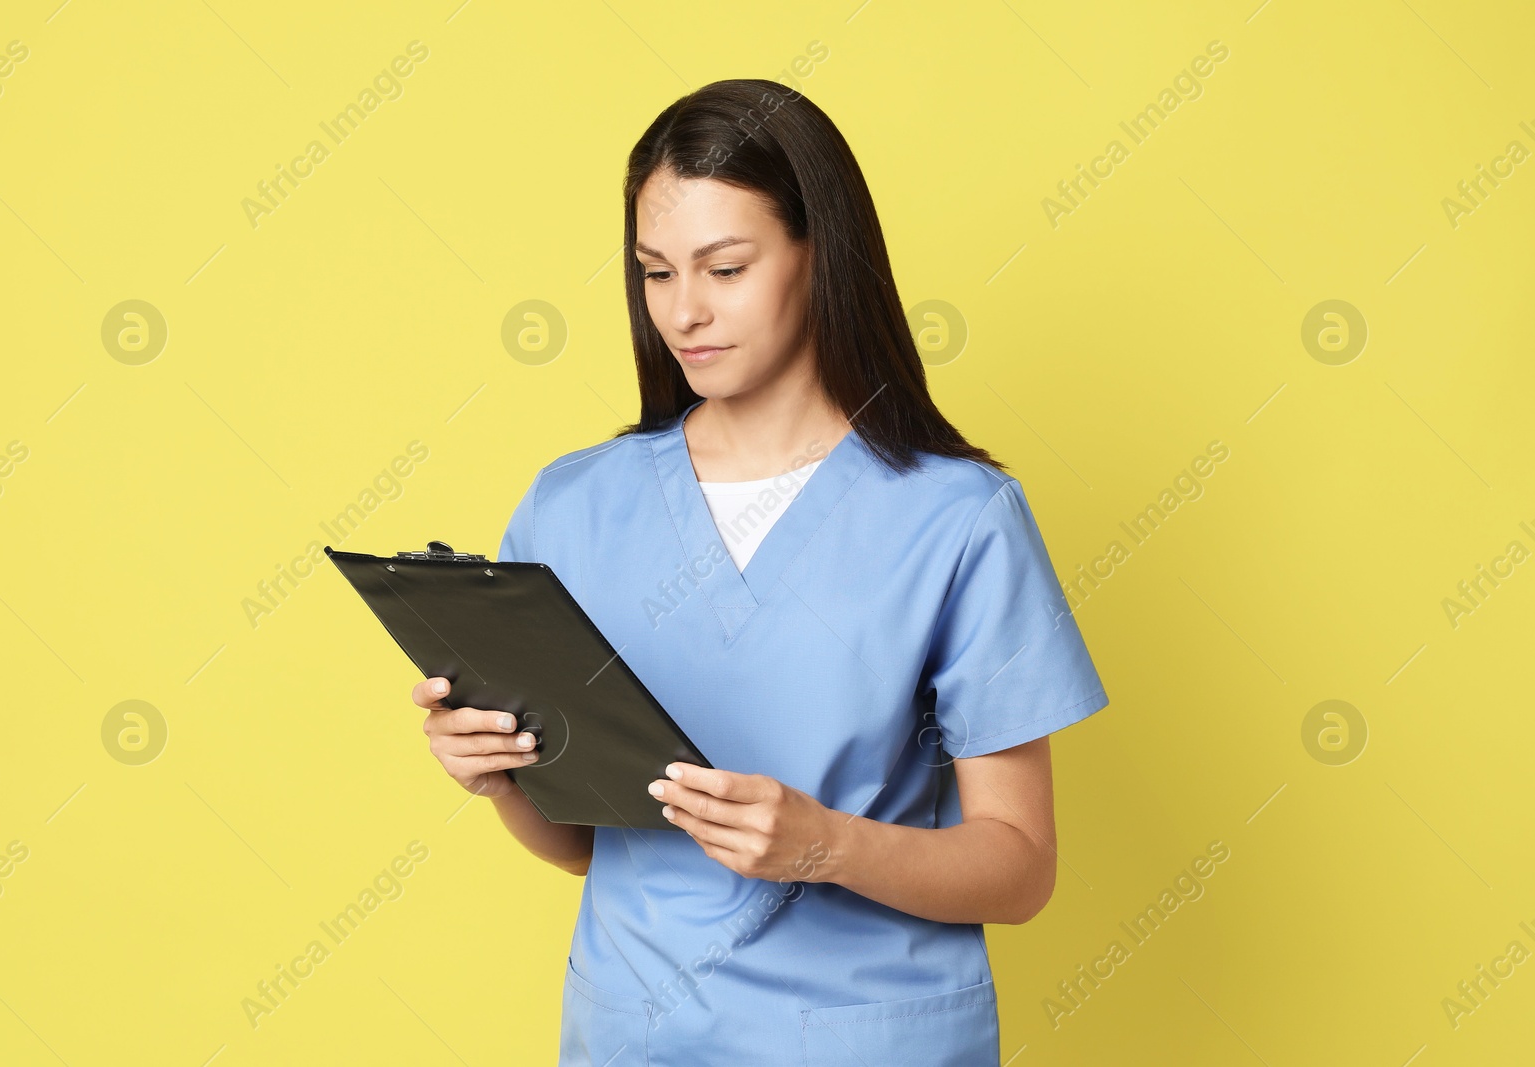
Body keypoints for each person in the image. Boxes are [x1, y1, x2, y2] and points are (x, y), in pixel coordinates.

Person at [416, 78, 1111, 1066]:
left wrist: (825, 843)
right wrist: (498, 778)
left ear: (818, 255)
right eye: (656, 273)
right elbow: (586, 845)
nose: (685, 311)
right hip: (631, 1035)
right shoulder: (574, 508)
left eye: (725, 266)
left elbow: (1020, 868)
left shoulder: (957, 521)